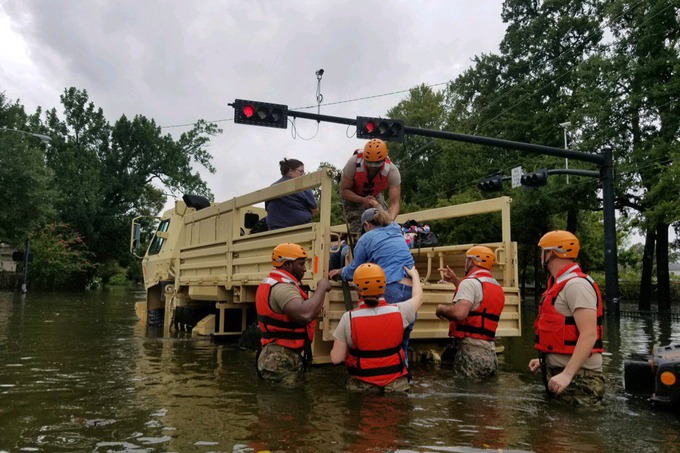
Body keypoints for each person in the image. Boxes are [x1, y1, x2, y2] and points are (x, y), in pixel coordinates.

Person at [528, 230, 605, 405]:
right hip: (564, 374)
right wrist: (546, 358)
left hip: (579, 380)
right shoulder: (561, 284)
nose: (541, 255)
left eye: (543, 251)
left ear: (552, 253)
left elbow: (589, 334)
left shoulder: (576, 286)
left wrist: (567, 374)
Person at [329, 208, 416, 360]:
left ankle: (375, 377)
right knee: (402, 346)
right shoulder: (397, 230)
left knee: (382, 343)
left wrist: (338, 272)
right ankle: (402, 377)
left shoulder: (367, 237)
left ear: (367, 225)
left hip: (390, 287)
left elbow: (354, 270)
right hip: (410, 287)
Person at [330, 263, 423, 392]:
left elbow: (336, 359)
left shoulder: (348, 318)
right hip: (396, 386)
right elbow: (419, 298)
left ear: (357, 289)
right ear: (384, 287)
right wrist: (415, 276)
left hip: (364, 387)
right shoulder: (400, 311)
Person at [255, 242, 332, 384]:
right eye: (301, 264)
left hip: (278, 354)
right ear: (287, 265)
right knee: (287, 403)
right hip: (279, 358)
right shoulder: (283, 288)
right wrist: (321, 288)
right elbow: (305, 315)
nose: (304, 269)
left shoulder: (276, 283)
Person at [435, 246, 505, 379]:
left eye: (467, 260)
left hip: (472, 352)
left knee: (468, 395)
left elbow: (459, 313)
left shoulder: (470, 283)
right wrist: (456, 281)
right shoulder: (496, 286)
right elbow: (478, 302)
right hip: (489, 352)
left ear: (472, 261)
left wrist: (441, 309)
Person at [339, 139, 401, 235]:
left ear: (384, 160)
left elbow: (394, 203)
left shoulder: (392, 171)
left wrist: (389, 220)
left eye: (377, 164)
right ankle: (357, 245)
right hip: (352, 195)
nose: (373, 168)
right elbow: (344, 191)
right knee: (359, 225)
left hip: (374, 195)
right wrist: (362, 200)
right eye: (369, 164)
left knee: (383, 222)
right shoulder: (353, 163)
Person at [265, 158, 318, 230]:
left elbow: (267, 208)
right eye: (301, 171)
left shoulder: (271, 187)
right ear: (291, 171)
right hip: (298, 230)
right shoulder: (301, 186)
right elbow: (314, 210)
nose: (303, 175)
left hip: (274, 230)